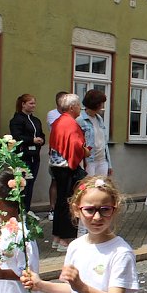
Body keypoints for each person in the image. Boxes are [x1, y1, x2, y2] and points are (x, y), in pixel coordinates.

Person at [48, 94, 89, 252]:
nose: (80, 108)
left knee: (60, 202)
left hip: (58, 165)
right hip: (67, 166)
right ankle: (64, 240)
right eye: (78, 105)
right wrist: (85, 151)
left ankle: (57, 237)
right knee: (68, 201)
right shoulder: (70, 122)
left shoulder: (60, 120)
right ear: (72, 107)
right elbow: (75, 145)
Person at [9, 94, 46, 211]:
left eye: (34, 103)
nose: (33, 106)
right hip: (24, 157)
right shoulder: (17, 120)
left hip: (35, 157)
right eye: (31, 103)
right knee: (23, 185)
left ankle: (27, 210)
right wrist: (32, 140)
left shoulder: (36, 120)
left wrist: (41, 140)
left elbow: (41, 133)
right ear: (23, 104)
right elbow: (17, 136)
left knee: (30, 185)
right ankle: (20, 211)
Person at [77, 89, 112, 177]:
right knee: (89, 187)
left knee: (101, 187)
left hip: (102, 160)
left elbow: (104, 142)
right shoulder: (80, 120)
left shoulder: (99, 118)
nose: (103, 106)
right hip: (89, 161)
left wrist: (109, 164)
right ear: (96, 104)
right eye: (101, 103)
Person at [45, 92, 69, 221]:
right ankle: (53, 208)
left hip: (69, 154)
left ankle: (65, 208)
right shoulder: (53, 114)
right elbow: (57, 129)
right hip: (56, 154)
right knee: (55, 181)